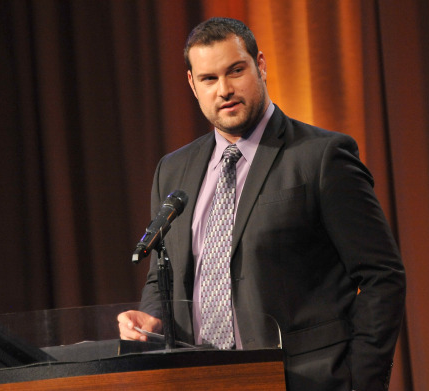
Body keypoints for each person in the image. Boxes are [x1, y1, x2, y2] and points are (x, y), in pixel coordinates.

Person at [118, 17, 406, 391]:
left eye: (235, 71)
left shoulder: (321, 157)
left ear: (261, 66)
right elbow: (163, 276)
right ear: (192, 84)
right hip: (201, 381)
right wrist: (152, 318)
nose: (224, 89)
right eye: (209, 79)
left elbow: (382, 276)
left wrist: (361, 380)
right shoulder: (172, 171)